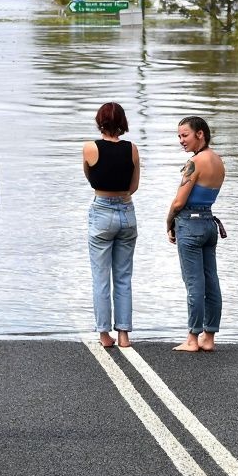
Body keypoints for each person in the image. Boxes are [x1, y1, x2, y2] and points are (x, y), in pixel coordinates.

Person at [82, 102, 141, 348]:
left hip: (102, 210)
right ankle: (124, 334)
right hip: (127, 212)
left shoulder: (90, 148)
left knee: (101, 277)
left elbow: (89, 178)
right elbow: (134, 187)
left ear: (100, 121)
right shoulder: (132, 149)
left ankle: (105, 334)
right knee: (124, 276)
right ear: (123, 123)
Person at [165, 116, 226, 353]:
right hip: (209, 223)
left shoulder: (195, 163)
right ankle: (208, 337)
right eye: (179, 136)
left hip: (189, 225)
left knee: (194, 284)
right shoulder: (219, 161)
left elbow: (180, 200)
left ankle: (192, 339)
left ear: (200, 134)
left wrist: (168, 221)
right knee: (211, 282)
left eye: (185, 135)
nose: (181, 140)